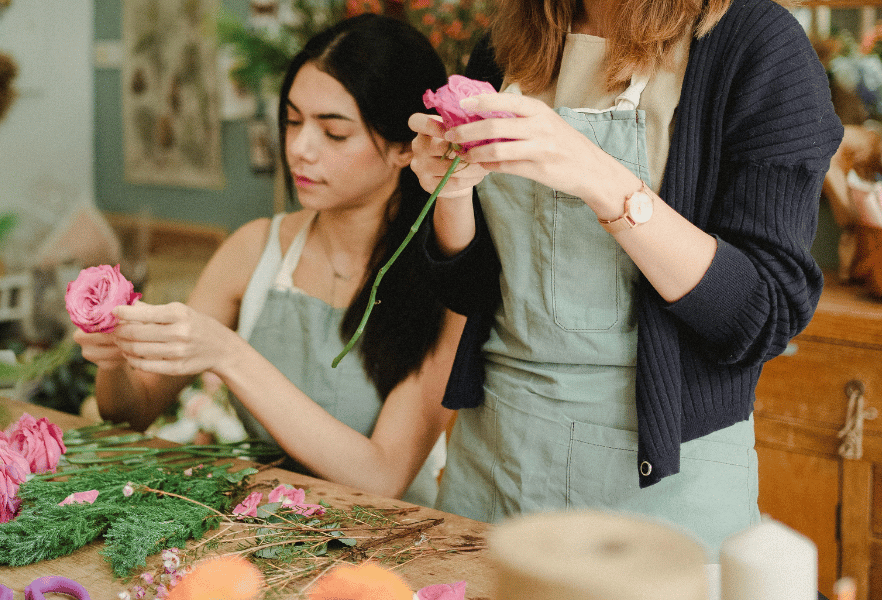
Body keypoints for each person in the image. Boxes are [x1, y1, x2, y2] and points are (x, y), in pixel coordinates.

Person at [408, 0, 843, 553]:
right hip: (494, 461)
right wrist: (451, 190)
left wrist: (597, 177)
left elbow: (761, 315)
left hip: (664, 490)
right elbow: (469, 292)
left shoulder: (755, 43)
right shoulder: (509, 45)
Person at [74, 14, 463, 507]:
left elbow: (383, 475)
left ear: (406, 148)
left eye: (334, 133)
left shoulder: (443, 277)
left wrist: (229, 354)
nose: (299, 149)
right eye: (293, 121)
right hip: (257, 528)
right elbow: (132, 417)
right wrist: (113, 361)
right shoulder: (254, 249)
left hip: (389, 548)